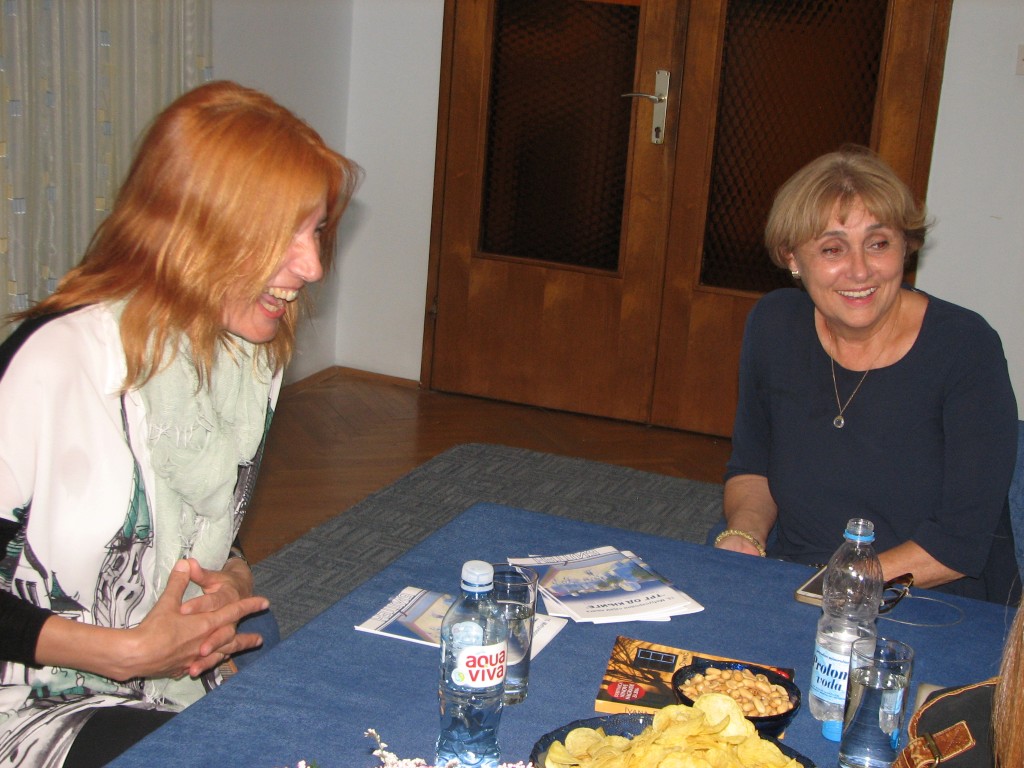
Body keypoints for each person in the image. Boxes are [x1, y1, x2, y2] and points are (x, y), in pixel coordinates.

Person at [0, 80, 359, 766]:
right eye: (281, 235)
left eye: (314, 230)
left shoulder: (244, 352)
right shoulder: (52, 362)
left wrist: (235, 580)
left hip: (168, 668)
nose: (312, 267)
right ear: (193, 229)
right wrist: (126, 653)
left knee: (318, 713)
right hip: (33, 700)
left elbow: (204, 526)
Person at [714, 145, 1019, 605]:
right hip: (795, 577)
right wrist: (745, 534)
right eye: (832, 249)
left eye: (878, 244)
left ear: (905, 247)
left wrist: (832, 586)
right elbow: (753, 468)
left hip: (926, 596)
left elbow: (958, 544)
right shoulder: (774, 325)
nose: (859, 270)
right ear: (792, 258)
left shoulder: (965, 347)